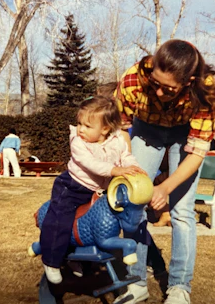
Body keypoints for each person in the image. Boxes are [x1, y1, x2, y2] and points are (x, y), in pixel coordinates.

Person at [111, 39, 215, 304]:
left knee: (182, 211)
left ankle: (179, 287)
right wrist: (129, 166)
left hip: (184, 134)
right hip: (146, 130)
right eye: (156, 83)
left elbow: (197, 152)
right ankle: (135, 283)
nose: (160, 92)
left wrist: (167, 188)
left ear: (189, 81)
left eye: (169, 88)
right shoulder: (133, 78)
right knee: (133, 204)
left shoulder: (204, 93)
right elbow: (122, 127)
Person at [38, 96, 146, 284]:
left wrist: (134, 168)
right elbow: (90, 163)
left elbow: (125, 156)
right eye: (79, 123)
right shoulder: (79, 142)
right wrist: (114, 170)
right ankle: (52, 260)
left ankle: (76, 256)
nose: (81, 129)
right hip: (71, 186)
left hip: (96, 191)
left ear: (105, 129)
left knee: (93, 223)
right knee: (61, 219)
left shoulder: (117, 140)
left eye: (87, 126)